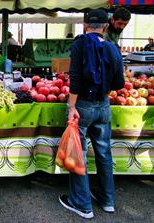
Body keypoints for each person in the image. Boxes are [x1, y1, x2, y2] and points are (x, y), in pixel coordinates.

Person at [59, 9, 125, 219]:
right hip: (103, 106)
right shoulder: (112, 48)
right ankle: (107, 201)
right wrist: (104, 92)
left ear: (85, 25)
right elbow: (120, 83)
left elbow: (76, 78)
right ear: (106, 26)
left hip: (83, 106)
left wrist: (71, 107)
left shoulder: (80, 44)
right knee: (104, 152)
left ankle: (82, 203)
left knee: (79, 153)